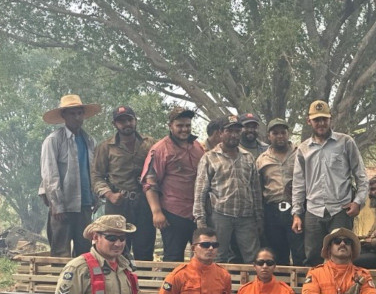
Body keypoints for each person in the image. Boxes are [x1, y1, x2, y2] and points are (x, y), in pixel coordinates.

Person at [291, 100, 369, 266]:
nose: (321, 123)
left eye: (324, 119)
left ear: (330, 119)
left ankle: (342, 291)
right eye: (317, 120)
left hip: (340, 209)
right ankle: (314, 291)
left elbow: (361, 176)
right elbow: (298, 184)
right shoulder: (303, 149)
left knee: (342, 255)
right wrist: (297, 214)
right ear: (309, 121)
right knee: (312, 256)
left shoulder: (346, 142)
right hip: (313, 210)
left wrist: (358, 202)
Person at [92, 105, 157, 261]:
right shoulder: (105, 147)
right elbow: (96, 176)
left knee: (145, 247)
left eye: (129, 119)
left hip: (144, 201)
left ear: (135, 121)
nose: (126, 124)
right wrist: (109, 195)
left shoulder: (150, 144)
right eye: (121, 121)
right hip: (118, 203)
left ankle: (141, 283)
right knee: (116, 247)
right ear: (115, 124)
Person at [194, 116, 262, 264]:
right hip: (220, 215)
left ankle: (252, 287)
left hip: (246, 216)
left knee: (253, 258)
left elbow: (256, 191)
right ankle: (217, 287)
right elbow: (200, 192)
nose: (234, 135)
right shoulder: (209, 158)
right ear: (220, 133)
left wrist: (259, 218)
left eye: (237, 131)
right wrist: (201, 220)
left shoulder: (248, 157)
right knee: (218, 256)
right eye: (229, 131)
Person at [142, 107, 206, 262]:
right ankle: (171, 286)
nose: (185, 129)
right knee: (173, 255)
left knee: (201, 255)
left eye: (188, 125)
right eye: (180, 125)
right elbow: (149, 183)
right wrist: (157, 212)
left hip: (197, 212)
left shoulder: (198, 147)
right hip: (173, 212)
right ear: (170, 125)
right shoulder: (160, 149)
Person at [40, 94, 101, 257]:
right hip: (63, 205)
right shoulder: (54, 140)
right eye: (72, 113)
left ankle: (81, 283)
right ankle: (59, 283)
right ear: (64, 116)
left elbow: (94, 171)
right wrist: (57, 204)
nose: (77, 117)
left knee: (85, 251)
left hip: (85, 204)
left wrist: (96, 197)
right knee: (60, 252)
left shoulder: (89, 141)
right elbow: (49, 173)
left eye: (80, 113)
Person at [55, 215, 139, 294]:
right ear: (96, 237)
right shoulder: (78, 268)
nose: (118, 244)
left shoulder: (126, 267)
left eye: (122, 238)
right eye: (111, 238)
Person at [257, 118, 305, 265]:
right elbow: (258, 187)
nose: (279, 136)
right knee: (278, 253)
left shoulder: (300, 154)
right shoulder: (262, 159)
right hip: (272, 209)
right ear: (268, 136)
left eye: (283, 132)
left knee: (299, 252)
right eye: (275, 133)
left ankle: (301, 286)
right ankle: (282, 286)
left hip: (296, 208)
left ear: (288, 134)